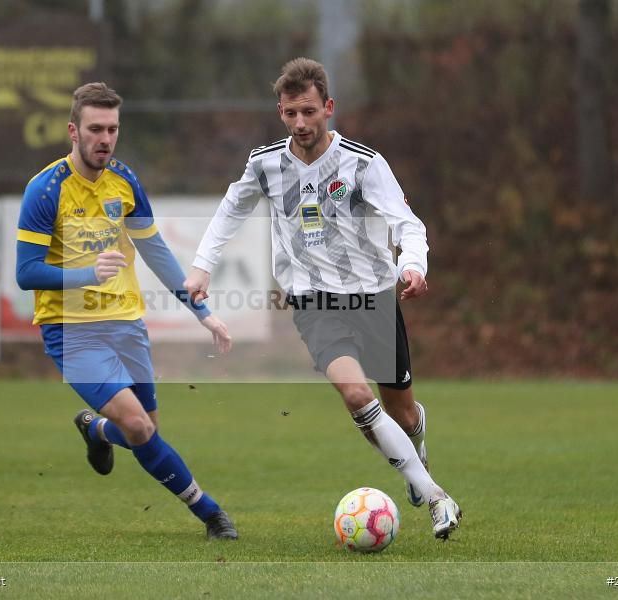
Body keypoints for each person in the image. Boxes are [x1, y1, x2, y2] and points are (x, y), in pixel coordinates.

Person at [183, 58, 462, 539]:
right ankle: (436, 497)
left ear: (328, 107)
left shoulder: (363, 163)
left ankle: (418, 449)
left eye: (309, 111)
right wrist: (203, 264)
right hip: (313, 302)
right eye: (290, 113)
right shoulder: (266, 163)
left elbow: (406, 223)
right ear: (280, 112)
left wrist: (414, 264)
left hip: (373, 295)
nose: (300, 123)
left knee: (404, 411)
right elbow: (232, 208)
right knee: (356, 394)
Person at [15, 82, 238, 540]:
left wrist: (203, 313)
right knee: (137, 424)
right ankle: (211, 513)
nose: (105, 139)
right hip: (71, 329)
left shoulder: (125, 180)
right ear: (72, 131)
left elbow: (156, 253)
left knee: (145, 428)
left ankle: (96, 431)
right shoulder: (45, 189)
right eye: (95, 129)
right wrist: (86, 275)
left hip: (125, 322)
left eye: (112, 129)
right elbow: (26, 273)